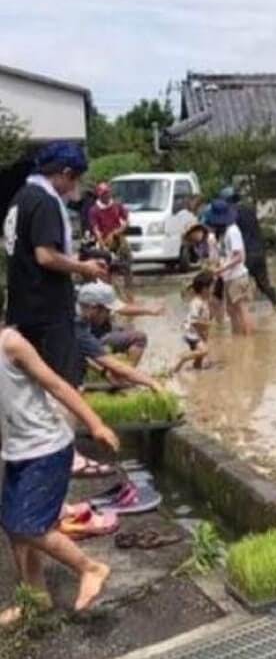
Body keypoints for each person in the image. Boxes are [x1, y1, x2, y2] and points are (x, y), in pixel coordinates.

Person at [0, 325, 119, 625]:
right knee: (14, 530)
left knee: (28, 526)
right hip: (18, 452)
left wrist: (95, 424)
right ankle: (36, 599)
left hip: (48, 447)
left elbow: (57, 385)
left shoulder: (11, 343)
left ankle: (89, 568)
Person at [3, 142, 109, 384]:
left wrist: (79, 262)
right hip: (47, 313)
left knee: (32, 384)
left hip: (23, 308)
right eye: (75, 179)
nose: (74, 187)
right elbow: (46, 255)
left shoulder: (21, 198)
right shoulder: (45, 202)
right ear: (66, 173)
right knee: (62, 383)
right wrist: (84, 268)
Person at [74, 282, 163, 393]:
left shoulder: (81, 313)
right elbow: (109, 362)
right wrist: (151, 382)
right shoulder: (76, 326)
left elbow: (86, 353)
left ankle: (123, 378)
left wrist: (104, 372)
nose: (109, 315)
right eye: (108, 311)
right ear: (94, 308)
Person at [221, 186, 276, 314]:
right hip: (259, 250)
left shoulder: (232, 215)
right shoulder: (249, 210)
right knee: (263, 281)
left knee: (243, 282)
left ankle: (247, 311)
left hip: (246, 253)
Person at [205, 199, 254, 336]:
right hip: (229, 277)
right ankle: (238, 339)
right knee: (231, 310)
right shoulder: (222, 234)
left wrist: (221, 269)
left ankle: (248, 341)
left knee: (242, 309)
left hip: (237, 276)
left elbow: (238, 257)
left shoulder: (233, 231)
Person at [86, 182, 132, 300]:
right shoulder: (94, 210)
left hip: (118, 238)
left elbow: (126, 220)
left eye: (107, 193)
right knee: (107, 268)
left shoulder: (117, 205)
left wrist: (119, 230)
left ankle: (129, 291)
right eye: (103, 194)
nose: (105, 196)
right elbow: (95, 228)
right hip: (105, 240)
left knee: (127, 263)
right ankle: (111, 294)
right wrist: (102, 243)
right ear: (99, 195)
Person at [173, 271, 214, 374]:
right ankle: (183, 357)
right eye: (212, 286)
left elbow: (205, 317)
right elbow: (194, 321)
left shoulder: (204, 301)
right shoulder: (196, 303)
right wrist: (208, 324)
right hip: (192, 334)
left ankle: (177, 372)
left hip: (199, 334)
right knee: (204, 351)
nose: (213, 289)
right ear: (205, 289)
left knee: (199, 358)